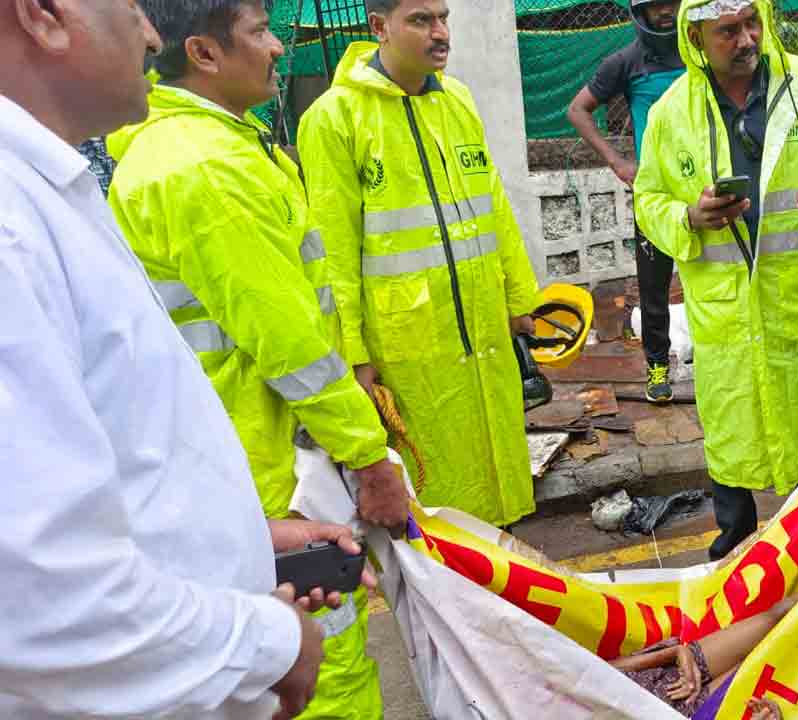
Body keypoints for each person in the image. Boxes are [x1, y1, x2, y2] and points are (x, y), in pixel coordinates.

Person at [0, 0, 371, 716]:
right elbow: (40, 593)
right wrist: (268, 641)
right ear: (43, 15)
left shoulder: (54, 192)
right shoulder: (19, 227)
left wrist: (240, 538)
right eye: (131, 8)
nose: (147, 35)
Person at [107, 1, 409, 717]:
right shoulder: (206, 170)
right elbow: (292, 343)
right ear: (206, 53)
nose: (279, 48)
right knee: (320, 658)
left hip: (246, 454)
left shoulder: (202, 151)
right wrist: (370, 459)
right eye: (261, 31)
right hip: (265, 466)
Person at [633, 0, 798, 559]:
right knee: (731, 432)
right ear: (695, 37)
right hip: (726, 315)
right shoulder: (672, 112)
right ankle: (735, 546)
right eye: (728, 31)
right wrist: (687, 218)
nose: (746, 38)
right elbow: (647, 198)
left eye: (752, 23)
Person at [298, 0, 542, 528]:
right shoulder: (333, 120)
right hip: (406, 345)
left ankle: (499, 590)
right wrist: (355, 356)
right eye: (421, 20)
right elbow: (333, 252)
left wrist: (520, 299)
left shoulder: (457, 101)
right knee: (438, 505)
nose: (441, 33)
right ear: (379, 27)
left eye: (444, 18)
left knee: (497, 485)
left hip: (482, 333)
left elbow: (493, 205)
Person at [566, 0, 684, 403]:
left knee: (720, 284)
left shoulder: (700, 50)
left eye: (673, 3)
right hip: (654, 195)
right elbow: (578, 109)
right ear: (641, 13)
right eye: (656, 6)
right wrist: (617, 162)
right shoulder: (627, 61)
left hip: (705, 190)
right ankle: (657, 368)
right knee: (654, 290)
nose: (666, 12)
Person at [611, 595, 797, 718]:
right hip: (694, 712)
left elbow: (607, 669)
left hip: (666, 674)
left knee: (778, 614)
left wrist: (679, 653)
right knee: (767, 655)